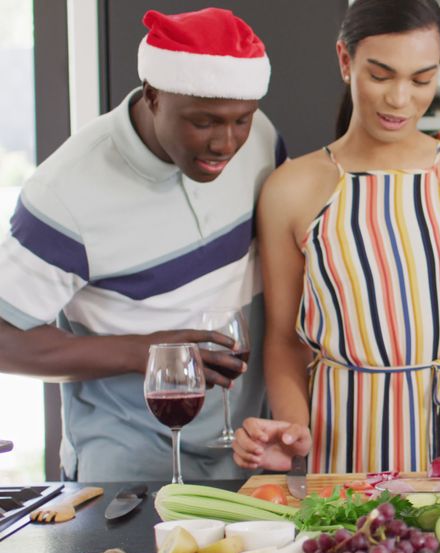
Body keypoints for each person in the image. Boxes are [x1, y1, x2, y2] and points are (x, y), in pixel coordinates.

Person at [231, 0, 440, 475]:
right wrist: (293, 429)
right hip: (339, 450)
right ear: (345, 61)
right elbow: (287, 340)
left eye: (421, 79)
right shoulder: (289, 188)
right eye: (381, 75)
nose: (399, 99)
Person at [0, 8, 285, 481]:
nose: (226, 143)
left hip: (245, 450)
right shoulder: (66, 193)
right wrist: (143, 352)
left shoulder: (261, 139)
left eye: (241, 120)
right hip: (128, 461)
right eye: (204, 122)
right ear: (153, 95)